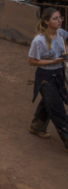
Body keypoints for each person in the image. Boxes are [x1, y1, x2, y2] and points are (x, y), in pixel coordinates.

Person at [28, 8, 68, 151]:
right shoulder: (39, 41)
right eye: (55, 18)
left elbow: (67, 39)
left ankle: (37, 126)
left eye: (60, 17)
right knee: (58, 109)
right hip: (45, 77)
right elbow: (32, 61)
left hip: (59, 74)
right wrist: (53, 61)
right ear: (46, 21)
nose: (60, 20)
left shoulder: (61, 33)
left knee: (49, 101)